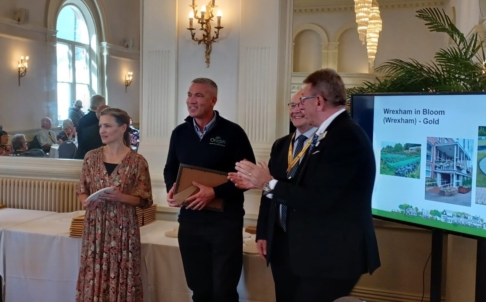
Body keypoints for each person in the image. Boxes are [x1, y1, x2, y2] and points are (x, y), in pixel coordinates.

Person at [231, 68, 381, 302]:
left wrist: (267, 183)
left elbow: (317, 199)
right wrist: (261, 183)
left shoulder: (344, 137)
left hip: (331, 256)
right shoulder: (332, 133)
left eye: (304, 100)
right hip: (312, 252)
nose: (299, 107)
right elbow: (304, 186)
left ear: (318, 101)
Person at [164, 78, 255, 302]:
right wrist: (172, 189)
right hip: (190, 222)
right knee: (199, 289)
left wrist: (215, 192)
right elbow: (170, 168)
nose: (191, 101)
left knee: (224, 291)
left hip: (225, 223)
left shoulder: (233, 133)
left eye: (199, 95)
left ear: (214, 100)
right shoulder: (179, 133)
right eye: (189, 95)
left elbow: (247, 176)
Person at [240, 90, 317, 302]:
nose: (296, 110)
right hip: (280, 240)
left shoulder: (324, 145)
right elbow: (268, 191)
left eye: (301, 104)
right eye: (292, 105)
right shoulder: (281, 145)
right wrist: (263, 233)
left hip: (310, 242)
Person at [76, 107, 153, 302]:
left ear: (123, 128)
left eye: (107, 126)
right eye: (101, 126)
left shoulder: (137, 161)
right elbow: (82, 189)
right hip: (95, 226)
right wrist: (85, 201)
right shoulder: (91, 157)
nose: (102, 131)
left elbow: (144, 199)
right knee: (94, 272)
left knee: (123, 272)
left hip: (124, 227)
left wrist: (121, 197)